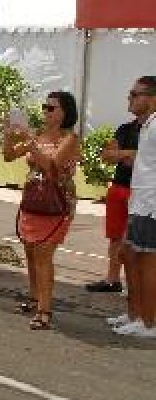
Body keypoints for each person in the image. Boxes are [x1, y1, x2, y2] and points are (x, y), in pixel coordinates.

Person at [3, 91, 80, 331]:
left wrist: (31, 143)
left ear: (65, 113)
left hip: (56, 202)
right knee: (30, 251)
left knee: (44, 253)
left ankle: (44, 310)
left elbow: (52, 166)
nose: (46, 111)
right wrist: (8, 135)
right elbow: (8, 156)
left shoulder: (69, 138)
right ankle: (35, 297)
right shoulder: (38, 134)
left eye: (51, 108)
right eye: (45, 107)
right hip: (34, 200)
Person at [111, 76, 156, 337]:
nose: (130, 98)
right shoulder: (147, 125)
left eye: (135, 94)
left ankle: (149, 322)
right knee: (131, 257)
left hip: (150, 205)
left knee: (147, 264)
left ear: (151, 98)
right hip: (140, 202)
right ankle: (137, 316)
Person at [89, 91, 146, 294]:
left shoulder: (151, 130)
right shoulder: (125, 128)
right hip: (119, 187)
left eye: (135, 95)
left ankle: (139, 287)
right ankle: (112, 279)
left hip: (141, 192)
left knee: (139, 241)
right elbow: (107, 155)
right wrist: (129, 154)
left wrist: (123, 155)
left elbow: (145, 157)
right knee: (115, 236)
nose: (129, 99)